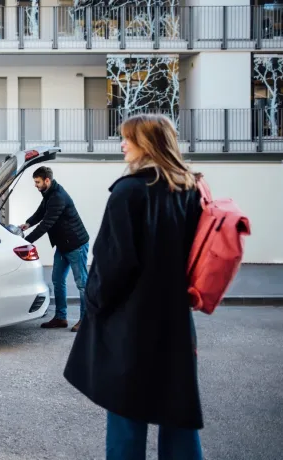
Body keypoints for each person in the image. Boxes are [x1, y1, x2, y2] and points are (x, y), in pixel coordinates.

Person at [63, 113, 204, 460]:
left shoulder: (128, 192)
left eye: (129, 138)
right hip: (173, 320)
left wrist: (93, 303)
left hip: (131, 323)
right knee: (177, 413)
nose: (122, 144)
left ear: (148, 144)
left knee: (126, 414)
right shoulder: (189, 190)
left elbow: (114, 264)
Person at [19, 166, 89, 332]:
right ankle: (60, 317)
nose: (35, 185)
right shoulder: (49, 193)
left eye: (37, 182)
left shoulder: (58, 197)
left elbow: (46, 224)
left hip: (76, 245)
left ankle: (86, 320)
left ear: (47, 180)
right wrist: (27, 224)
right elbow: (41, 212)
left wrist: (26, 242)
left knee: (82, 284)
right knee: (57, 280)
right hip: (63, 245)